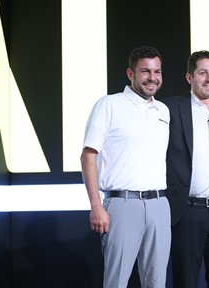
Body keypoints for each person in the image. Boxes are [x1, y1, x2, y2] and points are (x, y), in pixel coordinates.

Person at [80, 45, 171, 288]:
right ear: (130, 74)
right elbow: (88, 155)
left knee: (157, 283)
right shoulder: (109, 105)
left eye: (157, 71)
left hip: (160, 205)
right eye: (145, 71)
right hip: (122, 204)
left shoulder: (163, 110)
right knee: (116, 282)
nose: (152, 77)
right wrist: (96, 205)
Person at [162, 50, 209, 288]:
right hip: (187, 211)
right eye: (202, 73)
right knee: (185, 280)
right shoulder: (170, 109)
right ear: (189, 77)